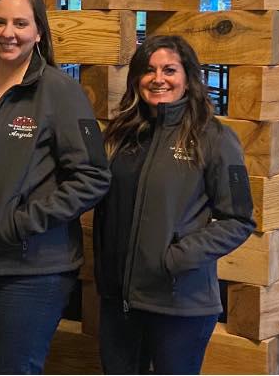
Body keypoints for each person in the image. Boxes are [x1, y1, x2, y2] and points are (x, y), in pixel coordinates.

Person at [0, 0, 111, 374]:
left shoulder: (59, 92)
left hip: (31, 267)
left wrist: (25, 221)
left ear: (38, 32)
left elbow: (94, 176)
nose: (8, 32)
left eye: (20, 23)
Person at [93, 34, 256, 374]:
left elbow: (239, 220)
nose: (158, 79)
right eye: (149, 70)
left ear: (188, 77)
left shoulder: (215, 138)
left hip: (179, 303)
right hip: (119, 302)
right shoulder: (123, 134)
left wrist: (175, 258)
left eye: (169, 70)